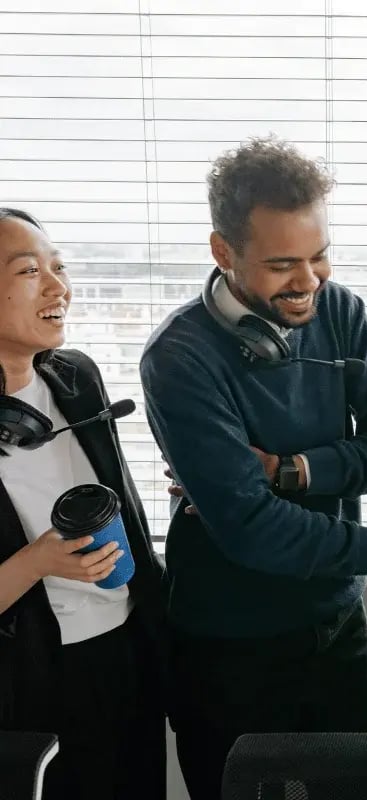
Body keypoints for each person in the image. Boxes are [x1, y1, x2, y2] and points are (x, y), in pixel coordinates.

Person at [139, 137, 367, 800]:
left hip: (335, 625)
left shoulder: (339, 311)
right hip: (227, 646)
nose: (309, 281)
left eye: (318, 256)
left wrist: (292, 471)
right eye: (283, 264)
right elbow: (254, 529)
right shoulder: (179, 357)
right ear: (223, 252)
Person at [0, 208, 167, 800]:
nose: (58, 287)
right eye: (29, 271)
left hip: (123, 651)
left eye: (59, 267)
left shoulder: (77, 377)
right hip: (30, 682)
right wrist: (37, 562)